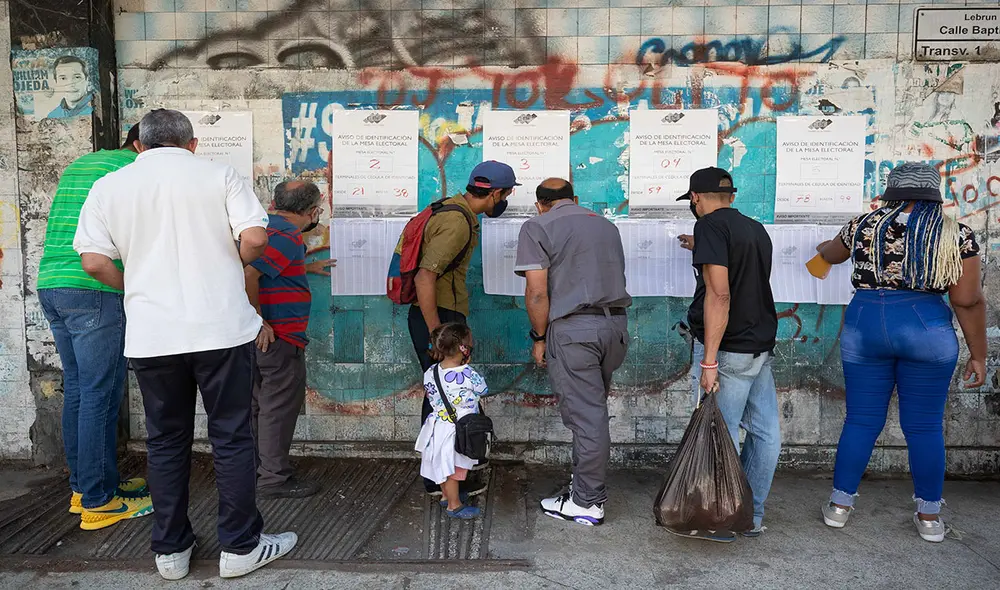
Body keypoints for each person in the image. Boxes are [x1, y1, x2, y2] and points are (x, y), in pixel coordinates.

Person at [73, 109, 296, 581]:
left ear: (141, 146)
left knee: (165, 440)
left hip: (153, 335)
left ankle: (171, 551)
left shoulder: (110, 186)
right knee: (232, 437)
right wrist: (230, 267)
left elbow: (93, 262)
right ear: (192, 144)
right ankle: (240, 547)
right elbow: (256, 237)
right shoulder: (219, 175)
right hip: (221, 330)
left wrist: (134, 284)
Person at [815, 162, 986, 543]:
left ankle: (840, 507)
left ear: (891, 191)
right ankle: (928, 516)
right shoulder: (954, 234)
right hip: (925, 328)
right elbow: (966, 299)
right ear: (933, 193)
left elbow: (830, 254)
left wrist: (823, 252)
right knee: (923, 426)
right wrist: (979, 354)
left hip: (865, 326)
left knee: (860, 420)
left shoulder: (863, 225)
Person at [37, 123, 152, 530]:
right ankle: (99, 502)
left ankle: (85, 487)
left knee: (81, 390)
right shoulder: (134, 171)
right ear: (141, 145)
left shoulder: (82, 164)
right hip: (94, 286)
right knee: (100, 394)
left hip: (52, 284)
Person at [514, 178, 631, 527]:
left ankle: (587, 502)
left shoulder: (537, 226)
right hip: (615, 329)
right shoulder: (606, 226)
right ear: (575, 199)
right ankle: (583, 488)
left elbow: (536, 293)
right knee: (591, 413)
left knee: (587, 419)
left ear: (540, 204)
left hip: (574, 332)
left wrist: (539, 337)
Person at [678, 167, 779, 542]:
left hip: (729, 349)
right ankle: (749, 517)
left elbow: (720, 294)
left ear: (695, 198)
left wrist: (709, 360)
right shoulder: (754, 228)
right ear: (731, 197)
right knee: (766, 434)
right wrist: (698, 245)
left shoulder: (710, 228)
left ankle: (718, 522)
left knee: (716, 434)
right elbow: (741, 270)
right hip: (758, 346)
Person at [406, 160, 516, 497]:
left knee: (442, 398)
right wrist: (437, 333)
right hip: (439, 316)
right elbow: (425, 275)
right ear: (496, 193)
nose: (505, 200)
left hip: (441, 315)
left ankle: (446, 475)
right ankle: (443, 479)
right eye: (507, 194)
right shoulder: (457, 221)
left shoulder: (451, 210)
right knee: (446, 401)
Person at [244, 180, 333, 499]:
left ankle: (257, 469)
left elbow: (267, 271)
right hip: (277, 336)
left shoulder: (264, 227)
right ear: (310, 211)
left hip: (255, 338)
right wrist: (259, 321)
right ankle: (273, 478)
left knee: (258, 405)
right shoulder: (287, 236)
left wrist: (306, 267)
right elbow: (249, 276)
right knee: (278, 407)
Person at [415, 323, 489, 520]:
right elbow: (483, 390)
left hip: (438, 425)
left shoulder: (431, 372)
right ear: (464, 348)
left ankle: (446, 496)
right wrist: (466, 367)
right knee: (454, 468)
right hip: (459, 428)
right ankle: (454, 506)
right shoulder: (468, 374)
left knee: (441, 462)